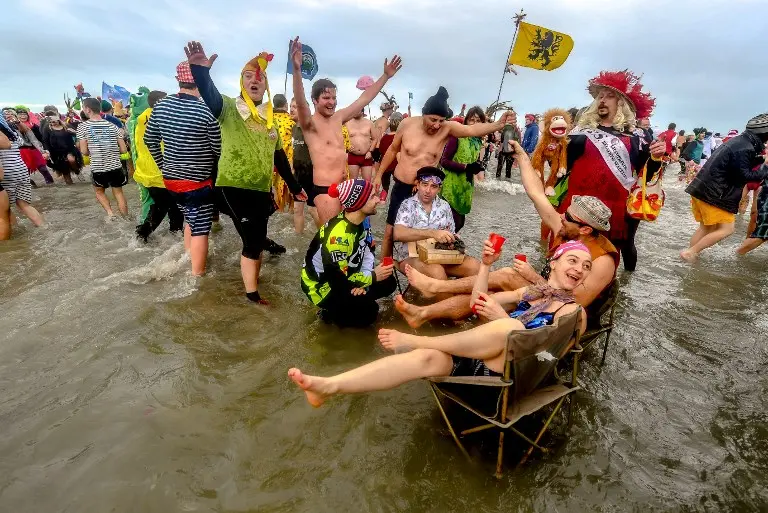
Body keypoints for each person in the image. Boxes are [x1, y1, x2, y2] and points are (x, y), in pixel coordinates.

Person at [287, 238, 591, 408]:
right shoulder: (531, 292)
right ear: (554, 262)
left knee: (509, 328)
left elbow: (546, 355)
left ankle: (419, 338)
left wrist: (511, 326)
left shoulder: (573, 312)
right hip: (473, 366)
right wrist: (486, 265)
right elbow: (479, 302)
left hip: (507, 382)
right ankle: (328, 386)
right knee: (424, 359)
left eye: (586, 266)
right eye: (573, 261)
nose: (579, 269)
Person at [397, 142, 617, 328]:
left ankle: (437, 288)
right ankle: (425, 314)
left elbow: (573, 301)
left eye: (567, 215)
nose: (560, 215)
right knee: (490, 290)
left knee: (507, 276)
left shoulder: (602, 260)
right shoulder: (567, 229)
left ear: (585, 229)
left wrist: (531, 276)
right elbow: (536, 194)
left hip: (561, 314)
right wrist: (522, 155)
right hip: (542, 291)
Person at [187, 41, 307, 302]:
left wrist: (296, 188)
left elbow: (278, 157)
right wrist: (200, 72)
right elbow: (210, 94)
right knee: (252, 243)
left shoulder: (269, 118)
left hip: (260, 190)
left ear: (266, 85)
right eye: (248, 76)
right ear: (241, 82)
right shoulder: (228, 108)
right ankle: (252, 297)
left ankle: (253, 273)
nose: (255, 81)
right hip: (233, 187)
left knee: (256, 240)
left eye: (260, 78)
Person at [373, 86, 515, 258]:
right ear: (424, 113)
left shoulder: (447, 128)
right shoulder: (407, 124)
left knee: (426, 237)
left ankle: (420, 274)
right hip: (402, 186)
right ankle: (385, 273)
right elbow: (392, 149)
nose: (437, 125)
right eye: (433, 119)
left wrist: (498, 124)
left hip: (426, 189)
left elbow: (472, 130)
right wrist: (379, 176)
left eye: (441, 120)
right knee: (390, 233)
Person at [556, 70, 665, 272]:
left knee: (613, 255)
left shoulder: (638, 137)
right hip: (577, 205)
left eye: (609, 96)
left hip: (616, 209)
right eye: (600, 96)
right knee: (567, 253)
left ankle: (620, 289)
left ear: (622, 103)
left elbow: (646, 176)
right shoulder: (580, 133)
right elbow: (561, 168)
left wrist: (657, 158)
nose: (602, 100)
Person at [291, 36, 401, 225]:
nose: (332, 102)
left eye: (334, 97)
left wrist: (385, 76)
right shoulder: (310, 124)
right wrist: (297, 69)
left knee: (350, 237)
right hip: (326, 190)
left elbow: (364, 99)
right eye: (326, 98)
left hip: (345, 187)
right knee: (333, 240)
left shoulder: (339, 117)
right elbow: (300, 102)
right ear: (315, 100)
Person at [145, 61, 222, 275]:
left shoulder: (160, 107)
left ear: (177, 80)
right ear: (197, 80)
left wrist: (164, 166)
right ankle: (197, 279)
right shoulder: (205, 111)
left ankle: (188, 259)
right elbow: (218, 149)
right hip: (197, 183)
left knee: (190, 219)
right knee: (201, 230)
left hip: (170, 181)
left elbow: (149, 140)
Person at [300, 179, 396, 327]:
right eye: (372, 197)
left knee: (389, 282)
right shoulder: (339, 237)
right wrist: (371, 277)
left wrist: (363, 282)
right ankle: (330, 314)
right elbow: (337, 281)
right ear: (358, 204)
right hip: (323, 287)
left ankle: (351, 305)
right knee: (369, 313)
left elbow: (367, 252)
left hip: (345, 276)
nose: (378, 200)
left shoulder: (363, 220)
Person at [681, 114, 768, 262]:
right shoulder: (745, 147)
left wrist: (760, 159)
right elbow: (744, 175)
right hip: (715, 194)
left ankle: (691, 256)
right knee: (727, 229)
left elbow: (738, 164)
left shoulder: (740, 142)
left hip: (702, 189)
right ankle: (691, 252)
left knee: (706, 228)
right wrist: (765, 168)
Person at [393, 167, 480, 283]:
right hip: (411, 256)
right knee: (436, 272)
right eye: (424, 184)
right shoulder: (407, 205)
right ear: (418, 185)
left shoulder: (444, 206)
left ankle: (463, 298)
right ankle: (449, 299)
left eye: (433, 186)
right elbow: (398, 234)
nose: (428, 190)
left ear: (439, 189)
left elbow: (452, 233)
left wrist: (453, 242)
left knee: (475, 267)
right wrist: (432, 233)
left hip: (440, 255)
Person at [133, 89, 185, 242]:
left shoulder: (140, 119)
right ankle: (143, 235)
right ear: (161, 103)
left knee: (167, 205)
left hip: (146, 172)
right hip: (162, 172)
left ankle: (172, 237)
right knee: (166, 206)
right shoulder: (165, 117)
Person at [76, 98, 131, 217]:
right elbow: (123, 149)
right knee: (119, 193)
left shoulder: (82, 127)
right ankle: (126, 218)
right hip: (116, 166)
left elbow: (84, 151)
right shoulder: (112, 126)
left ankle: (111, 214)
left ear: (87, 109)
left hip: (98, 167)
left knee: (99, 192)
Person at [438, 106, 486, 231]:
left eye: (478, 121)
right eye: (472, 120)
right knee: (450, 223)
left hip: (465, 187)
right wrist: (466, 167)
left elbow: (472, 162)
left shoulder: (478, 142)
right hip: (451, 186)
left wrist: (477, 167)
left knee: (460, 223)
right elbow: (443, 161)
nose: (475, 124)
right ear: (466, 121)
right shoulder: (457, 136)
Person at [0, 116, 45, 228]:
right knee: (24, 204)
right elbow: (21, 142)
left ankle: (14, 234)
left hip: (7, 171)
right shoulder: (12, 132)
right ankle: (43, 226)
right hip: (21, 170)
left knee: (5, 209)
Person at [2, 108, 55, 185]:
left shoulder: (32, 126)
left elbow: (34, 139)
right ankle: (30, 184)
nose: (8, 116)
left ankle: (51, 185)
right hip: (17, 152)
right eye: (6, 114)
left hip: (33, 149)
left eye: (10, 114)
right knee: (25, 171)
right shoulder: (6, 127)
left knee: (42, 168)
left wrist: (43, 151)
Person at [43, 114, 83, 185]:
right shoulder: (47, 129)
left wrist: (74, 132)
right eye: (50, 122)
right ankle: (71, 188)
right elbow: (45, 141)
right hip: (57, 153)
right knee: (66, 176)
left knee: (72, 160)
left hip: (69, 149)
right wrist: (47, 151)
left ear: (58, 120)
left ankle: (77, 171)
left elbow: (77, 135)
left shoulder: (66, 126)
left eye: (54, 122)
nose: (52, 124)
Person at [273, 94, 295, 213]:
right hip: (289, 160)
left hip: (273, 161)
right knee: (292, 189)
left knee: (276, 189)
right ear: (286, 105)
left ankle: (279, 211)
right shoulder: (291, 120)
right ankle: (291, 214)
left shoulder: (268, 119)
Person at [346, 109, 377, 181]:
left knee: (367, 183)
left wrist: (370, 151)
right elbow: (341, 138)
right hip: (352, 155)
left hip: (366, 156)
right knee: (352, 183)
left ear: (362, 111)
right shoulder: (347, 123)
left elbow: (375, 139)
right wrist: (347, 147)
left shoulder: (369, 123)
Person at [376, 111, 402, 194]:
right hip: (397, 165)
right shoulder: (402, 138)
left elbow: (381, 151)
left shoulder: (384, 138)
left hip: (385, 165)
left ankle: (383, 197)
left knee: (385, 185)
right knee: (399, 184)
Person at [496, 111, 521, 179]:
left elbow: (519, 143)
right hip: (506, 151)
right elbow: (501, 141)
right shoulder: (507, 128)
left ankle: (504, 181)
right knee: (502, 169)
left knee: (505, 169)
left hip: (508, 152)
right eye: (508, 118)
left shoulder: (515, 130)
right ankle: (501, 181)